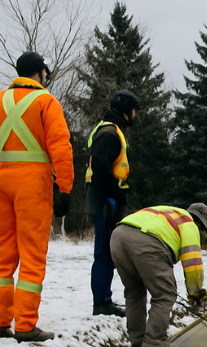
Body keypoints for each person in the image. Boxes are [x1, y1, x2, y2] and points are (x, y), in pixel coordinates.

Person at [0, 51, 73, 342]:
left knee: (1, 255)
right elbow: (61, 148)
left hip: (0, 183)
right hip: (32, 186)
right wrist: (64, 188)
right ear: (42, 73)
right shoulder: (47, 102)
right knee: (32, 254)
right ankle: (26, 324)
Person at [110, 203, 207, 347]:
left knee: (134, 291)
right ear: (202, 226)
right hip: (147, 241)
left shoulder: (168, 212)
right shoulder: (189, 224)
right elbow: (193, 264)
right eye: (203, 234)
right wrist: (196, 295)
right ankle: (155, 340)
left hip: (118, 236)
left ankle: (137, 341)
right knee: (165, 294)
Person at [85, 90, 141, 317]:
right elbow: (100, 168)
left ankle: (103, 297)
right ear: (126, 111)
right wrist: (114, 197)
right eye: (134, 111)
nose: (135, 116)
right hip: (104, 199)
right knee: (105, 253)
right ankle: (102, 302)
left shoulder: (109, 129)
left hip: (103, 197)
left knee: (107, 251)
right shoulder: (110, 133)